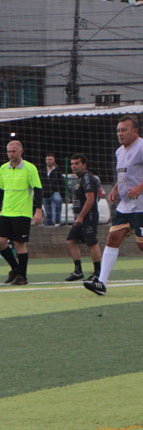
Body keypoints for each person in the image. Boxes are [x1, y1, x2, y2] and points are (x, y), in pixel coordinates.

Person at [85, 115, 143, 295]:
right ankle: (101, 283)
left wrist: (140, 187)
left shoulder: (141, 147)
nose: (120, 133)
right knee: (112, 239)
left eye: (124, 130)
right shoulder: (119, 152)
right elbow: (125, 175)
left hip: (141, 205)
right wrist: (116, 188)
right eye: (118, 130)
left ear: (135, 131)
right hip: (125, 205)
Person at [0, 140, 43, 286]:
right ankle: (15, 268)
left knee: (19, 244)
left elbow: (38, 190)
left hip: (22, 213)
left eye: (13, 151)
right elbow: (0, 190)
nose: (10, 154)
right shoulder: (3, 169)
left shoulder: (29, 168)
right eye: (8, 151)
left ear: (21, 152)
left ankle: (22, 277)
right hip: (6, 212)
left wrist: (38, 210)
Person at [64, 153, 102, 282]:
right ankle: (78, 271)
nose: (73, 166)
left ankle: (98, 273)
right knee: (71, 240)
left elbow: (90, 199)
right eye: (72, 164)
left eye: (77, 163)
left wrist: (80, 216)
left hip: (88, 217)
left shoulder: (87, 178)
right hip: (80, 218)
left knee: (92, 242)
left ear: (84, 165)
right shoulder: (80, 179)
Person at [42, 153, 65, 226]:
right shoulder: (42, 171)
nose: (49, 161)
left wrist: (63, 194)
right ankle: (50, 225)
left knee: (58, 201)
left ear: (54, 160)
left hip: (55, 191)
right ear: (45, 160)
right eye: (48, 159)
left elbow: (62, 183)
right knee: (48, 211)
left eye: (51, 159)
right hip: (45, 192)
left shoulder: (57, 171)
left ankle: (57, 221)